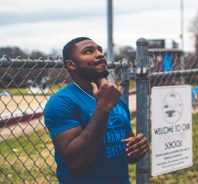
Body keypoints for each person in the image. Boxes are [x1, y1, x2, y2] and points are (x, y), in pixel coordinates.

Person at [44, 37, 149, 184]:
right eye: (88, 51)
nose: (100, 54)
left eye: (100, 49)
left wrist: (138, 147)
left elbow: (128, 153)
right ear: (71, 64)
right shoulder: (61, 102)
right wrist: (102, 108)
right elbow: (76, 162)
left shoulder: (114, 97)